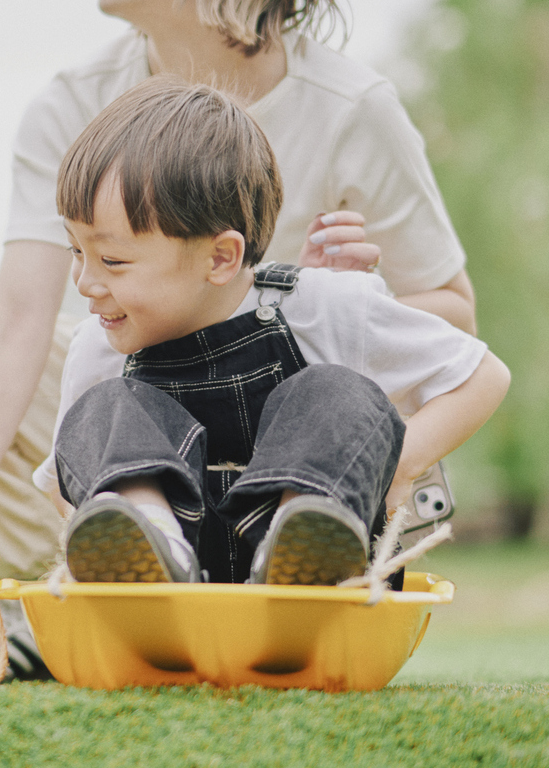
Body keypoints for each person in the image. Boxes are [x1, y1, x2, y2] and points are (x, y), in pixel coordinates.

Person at [0, 0, 478, 591]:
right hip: (141, 400)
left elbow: (455, 317)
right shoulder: (72, 104)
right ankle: (74, 547)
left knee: (326, 390)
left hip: (293, 423)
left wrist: (316, 296)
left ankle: (303, 535)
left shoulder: (352, 110)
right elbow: (17, 323)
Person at [38, 77, 508, 585]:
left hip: (319, 603)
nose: (86, 282)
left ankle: (305, 532)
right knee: (100, 409)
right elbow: (64, 487)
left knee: (335, 391)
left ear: (221, 257)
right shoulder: (98, 351)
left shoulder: (327, 305)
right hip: (172, 610)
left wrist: (399, 462)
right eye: (76, 251)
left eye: (111, 259)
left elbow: (483, 376)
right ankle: (152, 540)